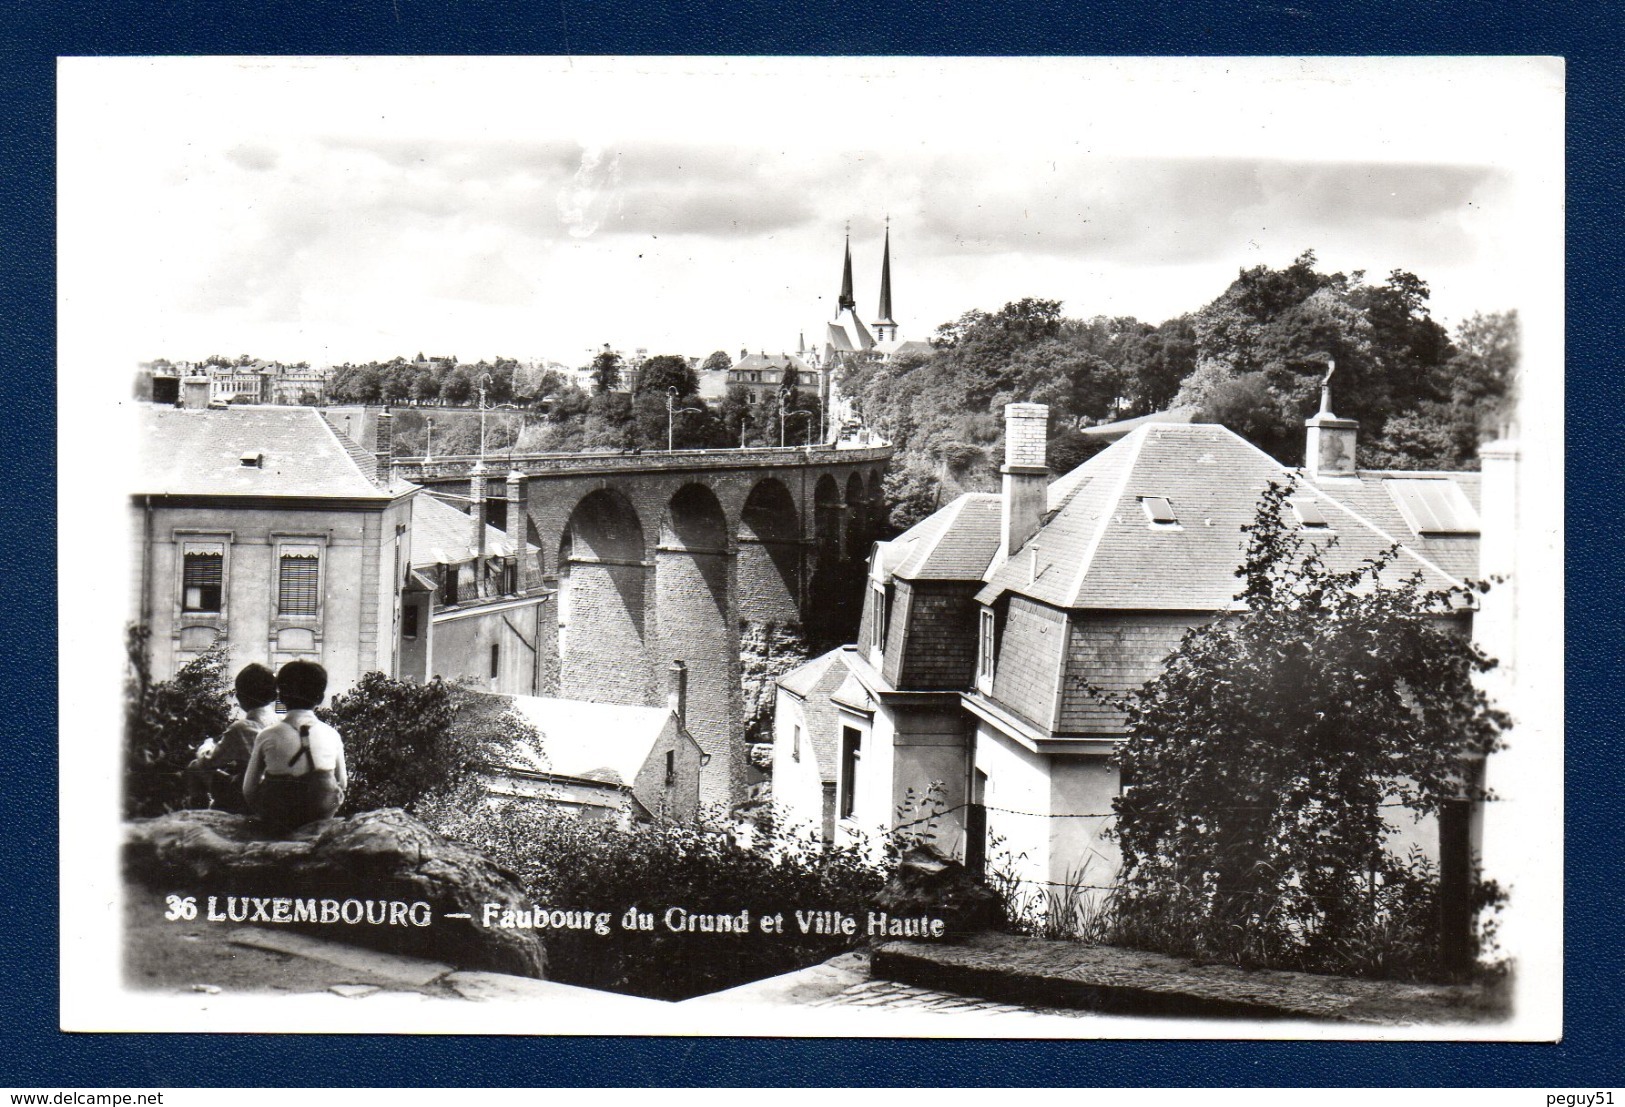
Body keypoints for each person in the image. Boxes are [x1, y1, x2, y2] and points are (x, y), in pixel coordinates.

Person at [243, 660, 348, 832]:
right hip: (320, 813)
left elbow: (248, 790)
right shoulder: (332, 735)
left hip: (278, 817)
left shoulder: (267, 735)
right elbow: (342, 784)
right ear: (320, 698)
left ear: (281, 697)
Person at [186, 663, 278, 813]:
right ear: (274, 696)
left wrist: (206, 745)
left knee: (195, 766)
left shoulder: (241, 728)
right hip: (273, 796)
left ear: (239, 697)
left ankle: (199, 816)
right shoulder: (280, 722)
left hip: (249, 796)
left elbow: (209, 761)